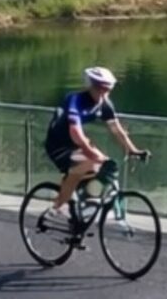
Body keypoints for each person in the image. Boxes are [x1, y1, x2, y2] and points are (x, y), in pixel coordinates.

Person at [43, 66, 146, 226]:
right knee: (89, 162)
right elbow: (75, 132)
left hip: (76, 142)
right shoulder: (76, 100)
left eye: (107, 90)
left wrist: (132, 150)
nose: (103, 94)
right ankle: (57, 207)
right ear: (90, 86)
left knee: (105, 165)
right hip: (58, 144)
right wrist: (91, 153)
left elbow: (116, 129)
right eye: (100, 89)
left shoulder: (105, 104)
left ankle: (81, 205)